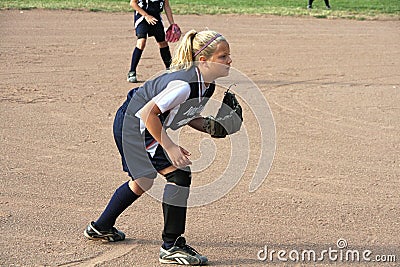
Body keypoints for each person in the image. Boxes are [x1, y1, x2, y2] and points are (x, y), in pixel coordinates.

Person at [84, 29, 233, 265]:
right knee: (179, 175)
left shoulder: (206, 84)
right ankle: (171, 246)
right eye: (223, 56)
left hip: (138, 120)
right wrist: (170, 146)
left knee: (143, 180)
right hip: (135, 124)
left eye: (228, 55)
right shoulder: (183, 85)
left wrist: (210, 126)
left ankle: (101, 226)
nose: (229, 60)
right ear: (203, 60)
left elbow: (182, 113)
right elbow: (148, 113)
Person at [127, 0, 178, 83]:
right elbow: (133, 3)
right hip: (142, 17)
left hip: (156, 17)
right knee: (141, 42)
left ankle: (170, 69)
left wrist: (172, 23)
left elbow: (166, 6)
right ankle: (132, 71)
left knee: (163, 43)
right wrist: (146, 15)